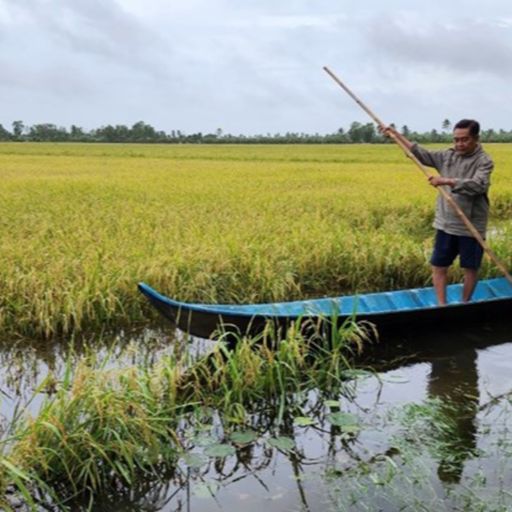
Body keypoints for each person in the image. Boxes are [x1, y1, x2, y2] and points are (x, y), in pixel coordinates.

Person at [382, 120, 494, 305]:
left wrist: (447, 181)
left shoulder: (484, 161)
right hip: (445, 222)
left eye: (464, 140)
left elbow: (478, 185)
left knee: (470, 267)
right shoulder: (447, 155)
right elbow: (420, 154)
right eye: (456, 140)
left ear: (476, 138)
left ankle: (465, 303)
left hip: (470, 225)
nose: (459, 144)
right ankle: (442, 305)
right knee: (439, 265)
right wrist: (396, 135)